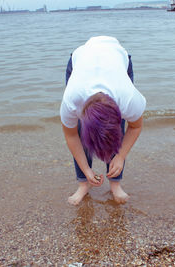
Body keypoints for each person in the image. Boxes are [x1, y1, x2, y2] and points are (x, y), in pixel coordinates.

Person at [60, 36, 146, 205]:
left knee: (114, 133)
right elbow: (71, 136)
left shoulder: (128, 99)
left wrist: (120, 156)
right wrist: (86, 170)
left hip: (118, 61)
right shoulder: (71, 101)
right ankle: (83, 184)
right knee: (79, 130)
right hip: (80, 59)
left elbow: (135, 127)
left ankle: (115, 184)